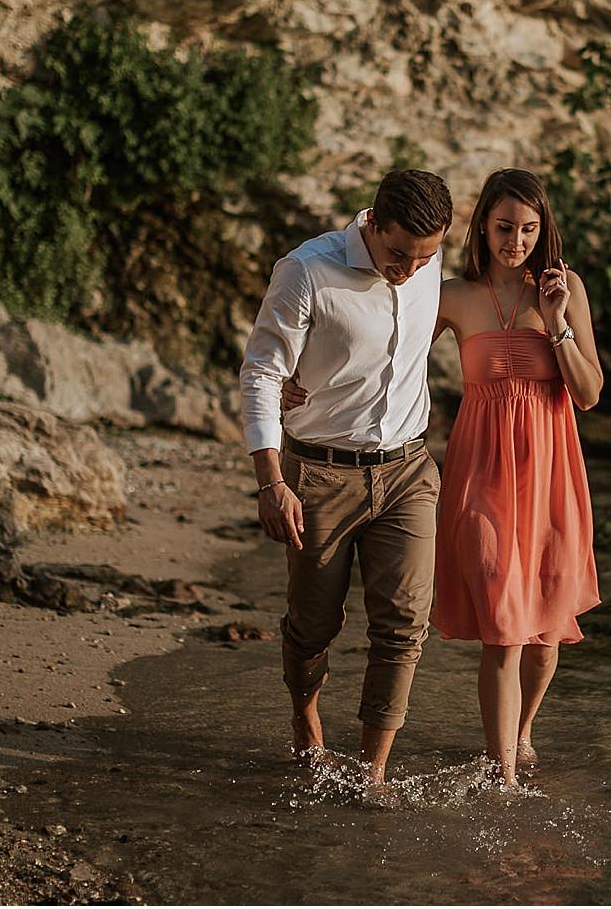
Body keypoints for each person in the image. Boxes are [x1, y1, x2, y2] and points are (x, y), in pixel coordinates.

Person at [285, 167, 603, 788]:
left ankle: (525, 730)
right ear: (483, 224)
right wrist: (300, 375)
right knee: (505, 620)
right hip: (481, 467)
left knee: (545, 628)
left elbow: (588, 393)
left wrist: (557, 319)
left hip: (551, 469)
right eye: (506, 226)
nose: (517, 241)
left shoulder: (565, 289)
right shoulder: (451, 293)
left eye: (530, 230)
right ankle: (504, 773)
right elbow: (387, 349)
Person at [239, 169, 453, 785]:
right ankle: (306, 720)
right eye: (398, 254)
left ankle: (372, 771)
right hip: (320, 475)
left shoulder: (427, 267)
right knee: (314, 625)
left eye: (426, 257)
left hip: (408, 470)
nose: (410, 270)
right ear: (373, 222)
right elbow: (261, 373)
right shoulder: (307, 271)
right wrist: (271, 480)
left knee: (405, 624)